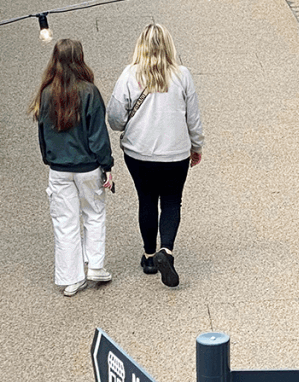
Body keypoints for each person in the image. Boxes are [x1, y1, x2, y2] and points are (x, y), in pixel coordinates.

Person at [108, 24, 204, 288]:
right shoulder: (182, 75)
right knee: (172, 201)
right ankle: (167, 250)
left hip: (139, 153)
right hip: (175, 153)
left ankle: (149, 256)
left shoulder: (129, 75)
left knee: (147, 200)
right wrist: (196, 146)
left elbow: (115, 117)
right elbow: (193, 117)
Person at [31, 39, 115, 297]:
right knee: (94, 213)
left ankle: (71, 278)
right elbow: (98, 135)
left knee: (65, 223)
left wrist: (50, 159)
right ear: (80, 59)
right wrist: (107, 164)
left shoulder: (46, 93)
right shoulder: (89, 92)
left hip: (59, 168)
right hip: (88, 166)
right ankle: (96, 266)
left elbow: (43, 135)